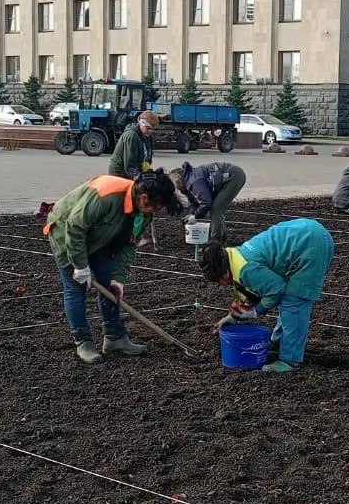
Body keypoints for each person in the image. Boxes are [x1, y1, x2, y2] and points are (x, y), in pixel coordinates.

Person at [44, 169, 179, 364]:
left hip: (101, 239)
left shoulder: (143, 213)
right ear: (143, 198)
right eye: (155, 207)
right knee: (75, 288)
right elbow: (75, 227)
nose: (155, 212)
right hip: (65, 235)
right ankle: (84, 342)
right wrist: (80, 266)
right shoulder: (105, 195)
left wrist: (119, 279)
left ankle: (115, 338)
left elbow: (130, 245)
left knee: (109, 285)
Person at [199, 218, 335, 373]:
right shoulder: (235, 255)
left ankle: (290, 361)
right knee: (289, 297)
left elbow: (276, 290)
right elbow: (251, 291)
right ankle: (278, 341)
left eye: (218, 282)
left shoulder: (246, 270)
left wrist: (258, 310)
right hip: (308, 233)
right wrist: (233, 317)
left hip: (310, 245)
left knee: (294, 301)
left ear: (223, 276)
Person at [169, 160, 246, 241]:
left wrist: (196, 216)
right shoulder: (190, 178)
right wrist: (192, 214)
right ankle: (221, 235)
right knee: (217, 207)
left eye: (175, 186)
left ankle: (215, 241)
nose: (177, 189)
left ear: (178, 181)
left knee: (216, 209)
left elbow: (206, 202)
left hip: (234, 176)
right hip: (227, 177)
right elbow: (193, 201)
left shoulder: (195, 181)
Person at [108, 111, 158, 179]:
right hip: (119, 174)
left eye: (153, 129)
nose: (150, 131)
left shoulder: (147, 136)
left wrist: (149, 174)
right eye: (148, 128)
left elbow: (147, 159)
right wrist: (140, 179)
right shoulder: (132, 136)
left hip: (134, 170)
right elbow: (130, 166)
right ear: (141, 123)